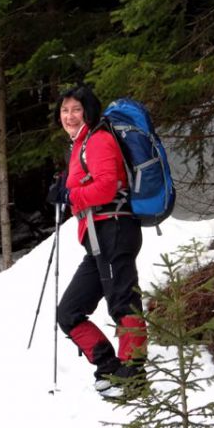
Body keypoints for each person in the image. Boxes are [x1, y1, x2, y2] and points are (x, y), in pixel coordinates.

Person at [46, 84, 147, 394]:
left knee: (123, 302)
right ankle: (110, 367)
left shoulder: (99, 140)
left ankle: (133, 373)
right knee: (68, 312)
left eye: (76, 109)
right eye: (64, 110)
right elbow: (87, 186)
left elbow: (106, 187)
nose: (70, 116)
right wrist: (65, 191)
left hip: (114, 229)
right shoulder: (80, 145)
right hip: (96, 237)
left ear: (88, 110)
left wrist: (70, 194)